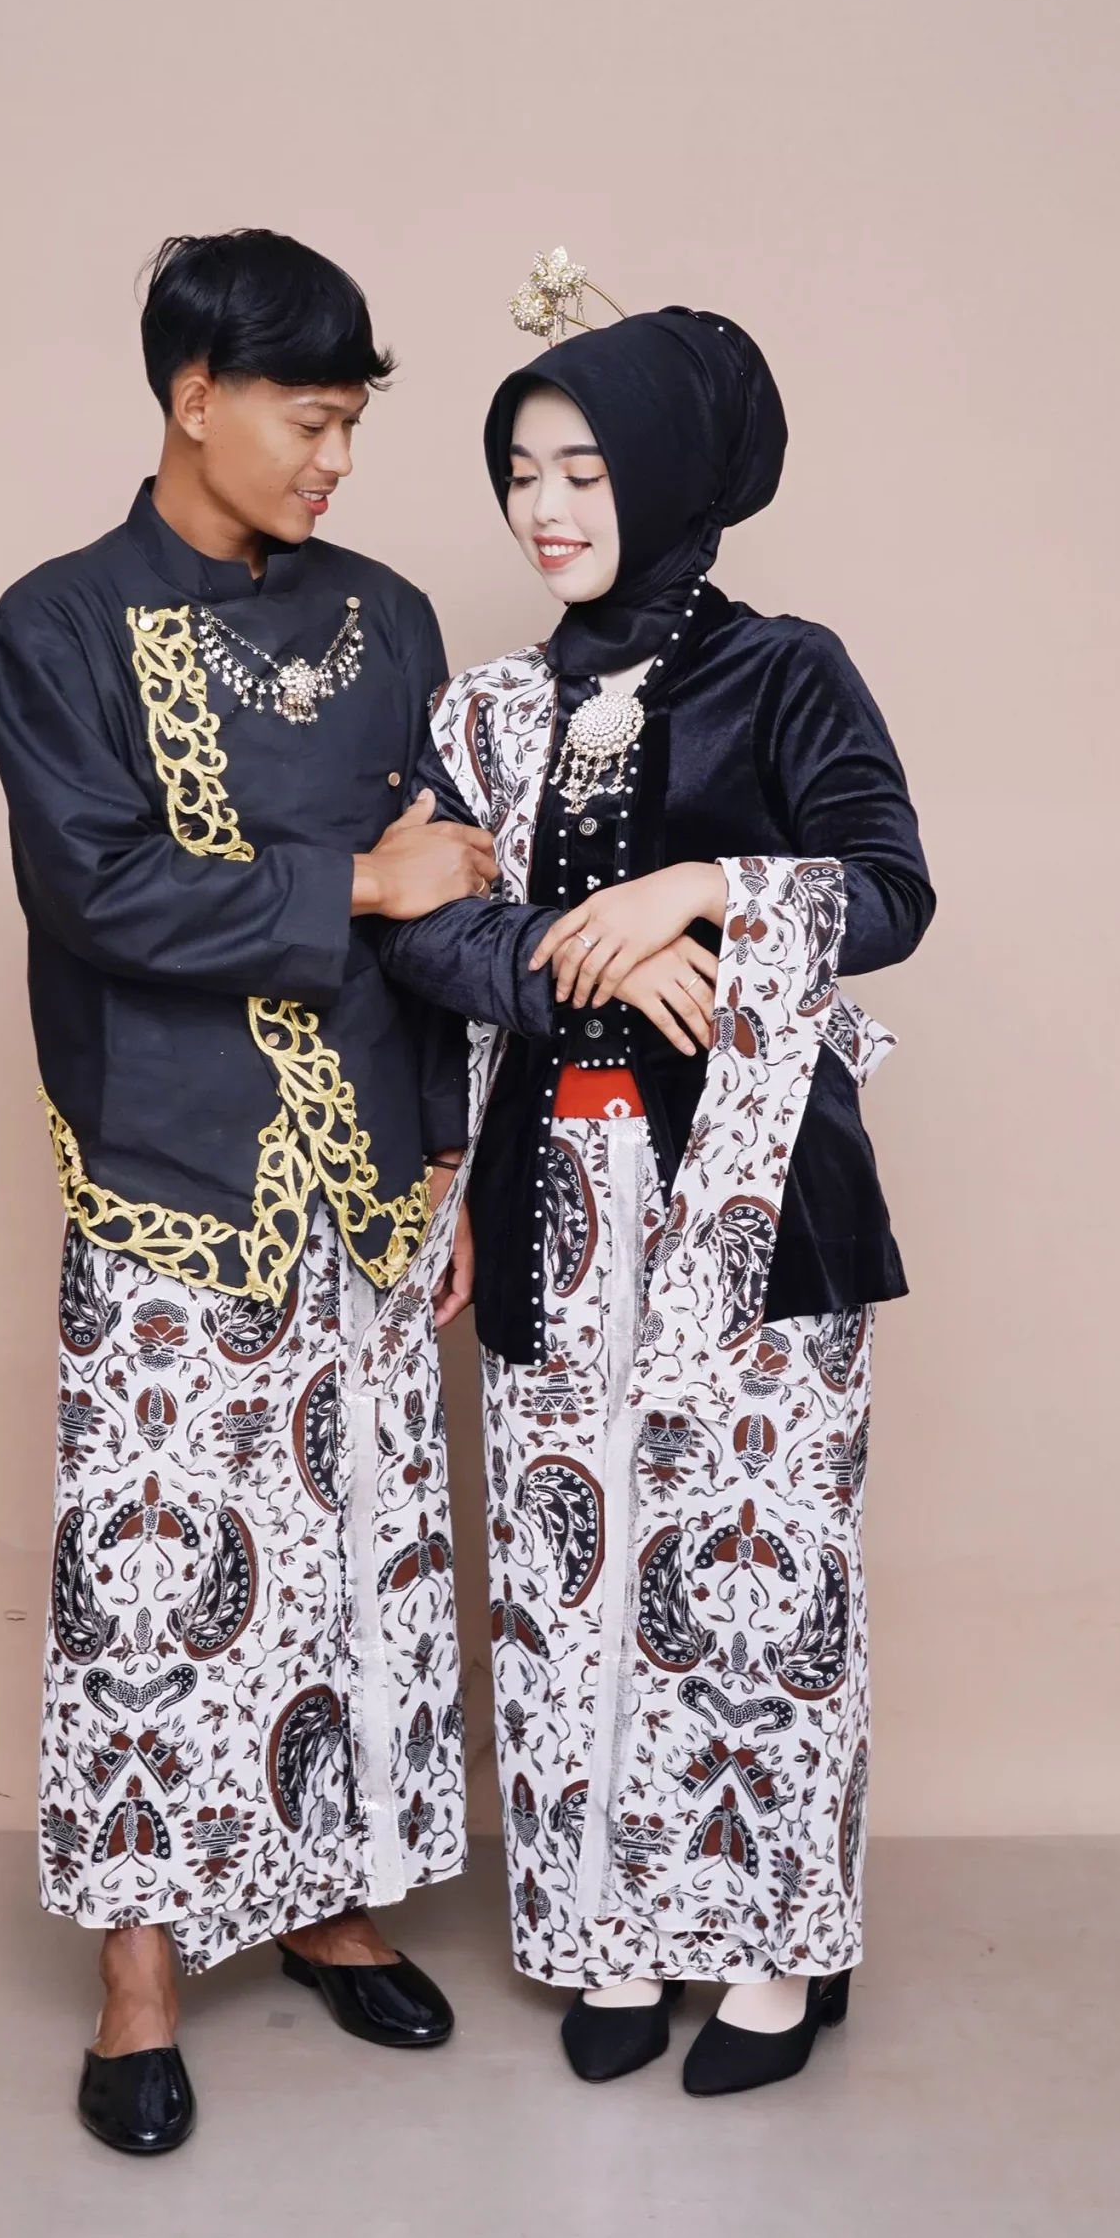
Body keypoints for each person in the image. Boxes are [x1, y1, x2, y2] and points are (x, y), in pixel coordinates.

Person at [0, 229, 495, 2154]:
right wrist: (352, 881)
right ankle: (140, 1978)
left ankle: (333, 1908)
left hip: (369, 1170)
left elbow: (454, 900)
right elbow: (99, 892)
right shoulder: (51, 629)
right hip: (170, 1165)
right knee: (157, 1578)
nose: (337, 461)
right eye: (310, 420)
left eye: (355, 426)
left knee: (360, 1551)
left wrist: (445, 1156)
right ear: (196, 397)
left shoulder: (394, 617)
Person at [379, 302, 934, 2095]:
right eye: (521, 474)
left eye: (584, 472)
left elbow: (892, 887)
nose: (544, 510)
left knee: (756, 1564)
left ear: (675, 475)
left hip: (754, 1200)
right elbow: (426, 931)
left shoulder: (787, 672)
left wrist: (703, 889)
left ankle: (771, 1949)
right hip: (554, 1197)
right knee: (573, 1564)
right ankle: (608, 1932)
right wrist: (575, 947)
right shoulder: (487, 708)